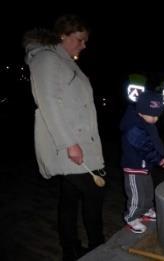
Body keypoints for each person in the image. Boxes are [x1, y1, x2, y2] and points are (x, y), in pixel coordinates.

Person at [24, 15, 105, 260]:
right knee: (94, 193)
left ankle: (70, 250)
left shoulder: (65, 61)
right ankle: (98, 248)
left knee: (69, 198)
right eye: (80, 39)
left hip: (81, 141)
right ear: (63, 36)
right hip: (71, 144)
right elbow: (48, 104)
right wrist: (69, 143)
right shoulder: (46, 59)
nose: (84, 45)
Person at [120, 91, 164, 233]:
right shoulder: (133, 126)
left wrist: (163, 156)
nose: (155, 119)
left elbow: (155, 142)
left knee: (148, 191)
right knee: (137, 195)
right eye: (152, 115)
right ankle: (131, 217)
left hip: (145, 166)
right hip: (134, 167)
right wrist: (159, 160)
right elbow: (145, 147)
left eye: (157, 116)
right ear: (141, 111)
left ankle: (146, 210)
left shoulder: (147, 122)